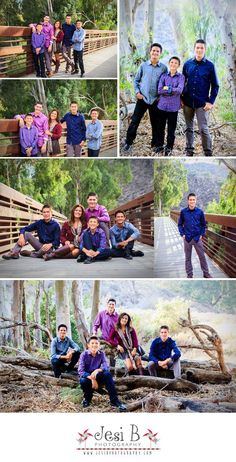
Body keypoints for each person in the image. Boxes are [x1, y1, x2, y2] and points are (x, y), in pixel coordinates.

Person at [123, 43, 167, 152]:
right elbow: (136, 80)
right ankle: (128, 142)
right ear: (150, 52)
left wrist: (161, 97)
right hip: (142, 99)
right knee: (135, 121)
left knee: (155, 123)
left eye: (157, 51)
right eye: (153, 50)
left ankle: (156, 144)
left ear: (160, 53)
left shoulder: (163, 68)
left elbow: (166, 83)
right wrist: (137, 92)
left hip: (155, 100)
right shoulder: (143, 66)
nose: (155, 52)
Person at [182, 39, 219, 157]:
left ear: (205, 50)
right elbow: (182, 82)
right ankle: (189, 150)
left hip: (202, 103)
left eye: (201, 48)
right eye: (197, 47)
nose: (199, 50)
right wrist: (180, 98)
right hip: (187, 101)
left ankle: (208, 152)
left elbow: (215, 85)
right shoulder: (187, 64)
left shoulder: (210, 66)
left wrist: (211, 101)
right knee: (189, 128)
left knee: (203, 128)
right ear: (194, 49)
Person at [79, 335, 126, 410]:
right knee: (83, 381)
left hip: (98, 375)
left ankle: (114, 400)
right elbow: (81, 371)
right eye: (92, 343)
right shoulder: (83, 355)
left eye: (96, 343)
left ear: (99, 345)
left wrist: (97, 370)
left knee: (107, 374)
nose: (94, 345)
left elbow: (106, 367)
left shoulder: (101, 354)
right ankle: (87, 399)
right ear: (88, 345)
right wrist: (92, 379)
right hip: (88, 377)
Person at [178, 193, 212, 278]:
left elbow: (204, 225)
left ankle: (206, 273)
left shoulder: (200, 212)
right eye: (190, 200)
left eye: (193, 199)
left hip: (197, 239)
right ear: (188, 201)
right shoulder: (183, 212)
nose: (192, 201)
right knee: (188, 258)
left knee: (202, 257)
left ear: (195, 201)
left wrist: (201, 235)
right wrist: (182, 234)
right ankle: (189, 275)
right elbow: (179, 224)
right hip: (187, 239)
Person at [156, 56, 185, 155]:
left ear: (178, 65)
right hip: (162, 106)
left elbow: (179, 90)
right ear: (169, 63)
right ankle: (159, 146)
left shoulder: (181, 77)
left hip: (173, 108)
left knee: (171, 129)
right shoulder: (164, 76)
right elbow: (159, 90)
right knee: (160, 128)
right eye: (172, 62)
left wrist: (167, 88)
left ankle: (169, 148)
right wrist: (173, 89)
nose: (173, 64)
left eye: (175, 63)